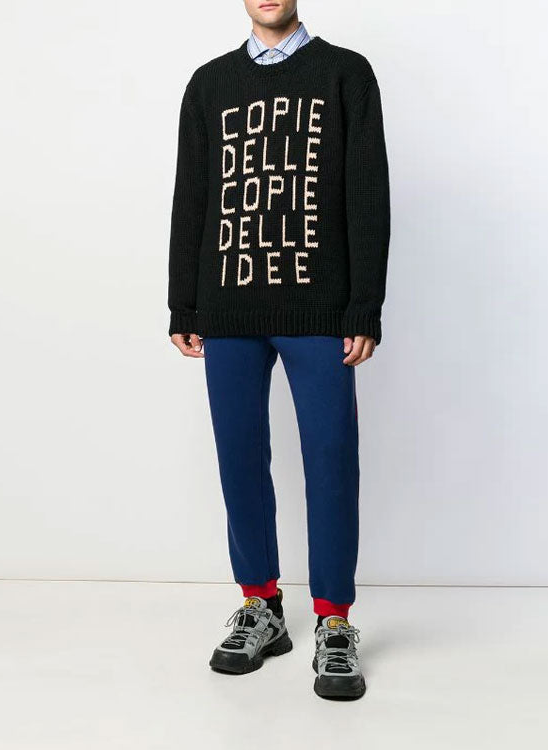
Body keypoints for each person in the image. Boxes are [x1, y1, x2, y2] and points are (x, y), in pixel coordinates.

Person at [167, 0, 390, 700]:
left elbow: (367, 192)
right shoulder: (209, 84)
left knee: (330, 456)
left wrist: (364, 306)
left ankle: (335, 620)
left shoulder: (345, 74)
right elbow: (193, 194)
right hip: (227, 305)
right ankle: (261, 606)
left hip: (319, 307)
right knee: (239, 456)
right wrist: (183, 301)